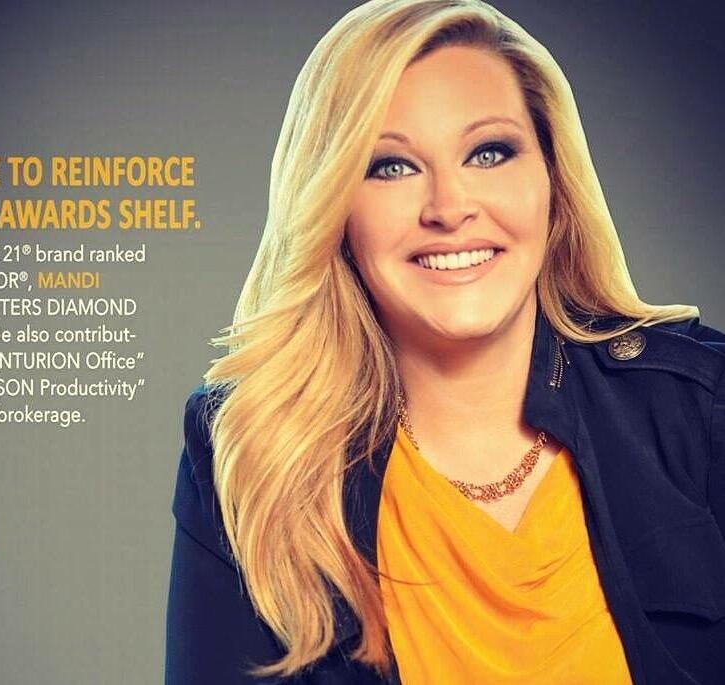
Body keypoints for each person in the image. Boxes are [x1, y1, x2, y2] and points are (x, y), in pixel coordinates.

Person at [165, 0, 725, 683]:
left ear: (553, 182)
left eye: (489, 153)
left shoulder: (699, 406)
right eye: (391, 166)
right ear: (334, 209)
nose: (450, 208)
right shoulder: (251, 451)